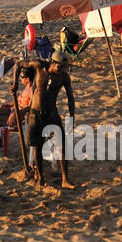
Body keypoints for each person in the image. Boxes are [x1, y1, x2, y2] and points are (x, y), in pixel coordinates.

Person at [29, 52, 75, 188]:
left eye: (64, 68)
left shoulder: (64, 77)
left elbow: (70, 97)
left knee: (62, 143)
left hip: (51, 112)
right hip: (36, 112)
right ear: (53, 63)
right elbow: (20, 64)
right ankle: (41, 178)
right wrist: (14, 83)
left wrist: (72, 117)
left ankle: (65, 179)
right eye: (60, 67)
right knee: (37, 144)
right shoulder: (40, 68)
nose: (61, 70)